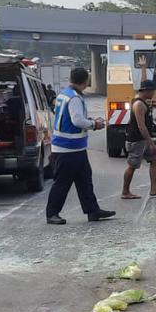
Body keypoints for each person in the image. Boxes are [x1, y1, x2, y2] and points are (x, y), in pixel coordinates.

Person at [45, 67, 116, 225]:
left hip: (74, 148)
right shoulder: (75, 98)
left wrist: (88, 120)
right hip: (67, 148)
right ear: (85, 82)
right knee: (62, 183)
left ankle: (93, 210)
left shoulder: (64, 94)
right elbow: (77, 120)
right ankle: (52, 214)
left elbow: (70, 118)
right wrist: (94, 124)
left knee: (85, 181)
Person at [121, 79, 156, 200]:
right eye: (152, 91)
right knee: (132, 165)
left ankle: (154, 188)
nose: (153, 93)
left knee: (155, 159)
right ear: (146, 91)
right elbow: (140, 126)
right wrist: (150, 142)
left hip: (143, 139)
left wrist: (143, 67)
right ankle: (125, 191)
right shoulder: (139, 105)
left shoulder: (142, 101)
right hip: (137, 140)